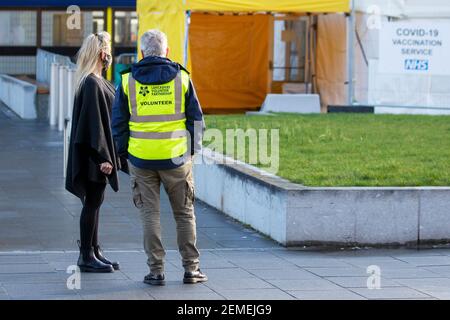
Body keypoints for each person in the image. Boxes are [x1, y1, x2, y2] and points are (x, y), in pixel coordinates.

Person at [112, 29, 206, 285]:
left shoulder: (128, 80)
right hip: (177, 159)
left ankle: (156, 271)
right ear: (167, 51)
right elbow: (197, 121)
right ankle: (191, 269)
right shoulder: (183, 78)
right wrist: (192, 151)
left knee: (150, 215)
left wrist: (124, 155)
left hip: (141, 160)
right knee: (184, 214)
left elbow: (118, 123)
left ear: (141, 53)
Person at [66, 32, 120, 273]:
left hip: (98, 155)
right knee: (92, 202)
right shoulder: (90, 82)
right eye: (107, 50)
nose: (109, 55)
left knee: (96, 201)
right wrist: (102, 158)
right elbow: (91, 126)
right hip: (93, 157)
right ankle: (86, 255)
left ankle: (94, 250)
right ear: (101, 53)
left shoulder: (98, 80)